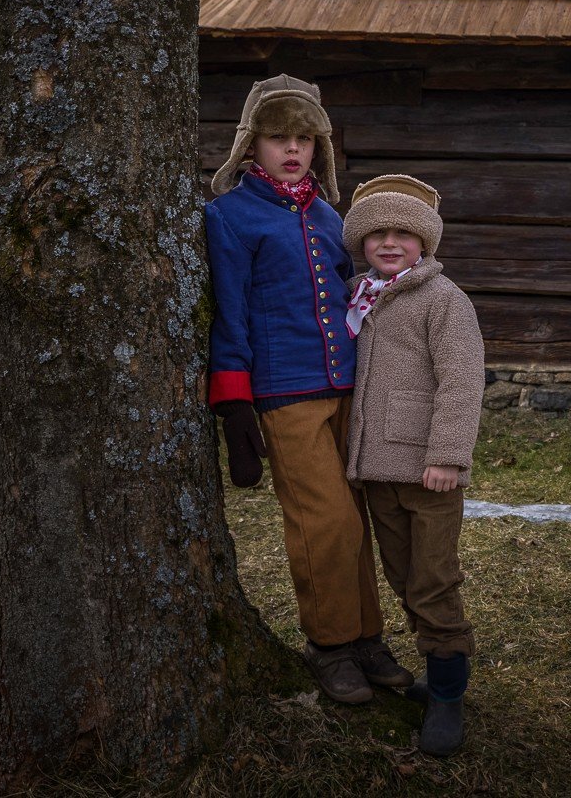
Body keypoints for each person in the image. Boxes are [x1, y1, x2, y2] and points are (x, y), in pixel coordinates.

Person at [204, 75, 412, 704]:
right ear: (251, 145)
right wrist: (234, 405)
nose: (292, 149)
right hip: (284, 393)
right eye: (278, 137)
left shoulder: (328, 215)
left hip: (348, 386)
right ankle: (329, 644)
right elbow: (229, 313)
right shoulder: (229, 216)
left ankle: (366, 637)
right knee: (325, 522)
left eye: (304, 138)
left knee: (357, 520)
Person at [342, 175, 485, 757]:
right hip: (377, 469)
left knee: (433, 580)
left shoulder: (442, 299)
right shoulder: (358, 295)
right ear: (361, 241)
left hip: (429, 473)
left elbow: (461, 380)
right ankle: (438, 670)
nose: (389, 242)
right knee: (402, 576)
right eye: (377, 233)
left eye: (403, 233)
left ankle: (448, 695)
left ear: (424, 241)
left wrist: (447, 456)